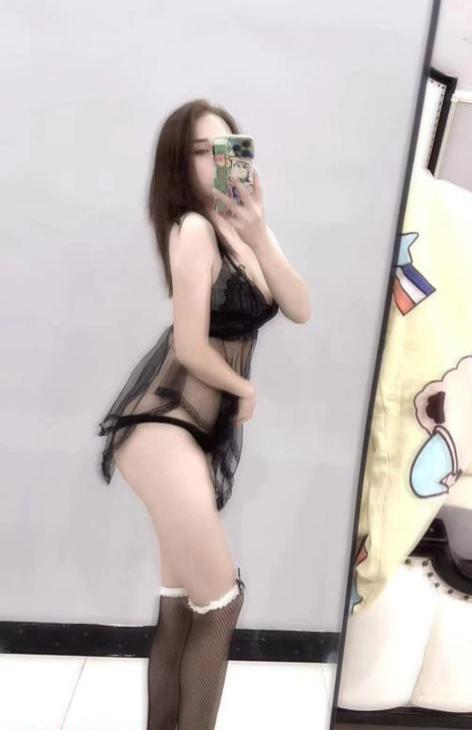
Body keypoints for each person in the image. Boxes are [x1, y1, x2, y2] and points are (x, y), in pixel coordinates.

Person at [97, 99, 311, 730]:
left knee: (184, 602)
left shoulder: (241, 233)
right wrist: (242, 390)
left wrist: (260, 228)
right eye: (199, 151)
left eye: (225, 148)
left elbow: (300, 306)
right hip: (162, 424)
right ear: (178, 163)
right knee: (219, 603)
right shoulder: (192, 228)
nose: (214, 162)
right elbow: (189, 345)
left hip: (191, 432)